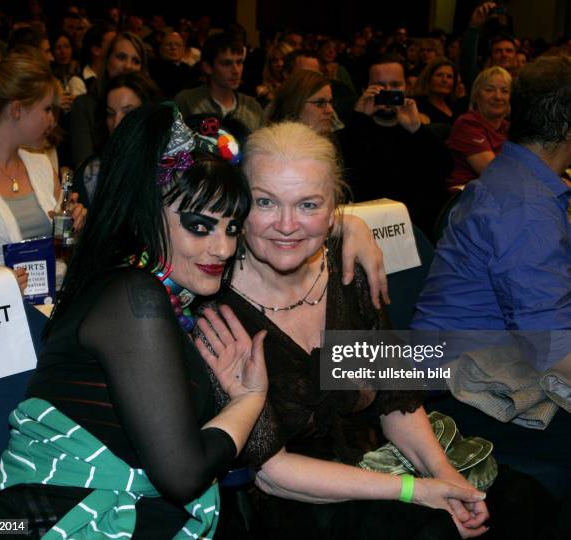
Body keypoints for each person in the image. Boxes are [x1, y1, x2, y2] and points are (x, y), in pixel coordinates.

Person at [0, 102, 269, 539]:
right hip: (30, 522)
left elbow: (266, 449)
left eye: (233, 228)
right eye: (200, 227)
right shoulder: (133, 296)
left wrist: (345, 234)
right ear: (147, 216)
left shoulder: (180, 298)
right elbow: (184, 474)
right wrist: (249, 399)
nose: (223, 248)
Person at [207, 122, 490, 539]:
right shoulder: (212, 299)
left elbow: (396, 402)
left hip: (366, 470)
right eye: (266, 202)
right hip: (281, 505)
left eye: (308, 205)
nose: (286, 225)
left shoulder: (347, 272)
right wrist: (416, 490)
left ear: (334, 209)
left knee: (513, 506)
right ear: (238, 203)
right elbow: (271, 472)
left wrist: (449, 480)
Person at [412, 55, 571, 497]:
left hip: (479, 359)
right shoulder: (526, 205)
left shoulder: (520, 176)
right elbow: (552, 345)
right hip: (458, 385)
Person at [0, 51, 86, 281]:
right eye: (47, 109)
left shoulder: (41, 165)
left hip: (57, 304)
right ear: (17, 109)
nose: (52, 120)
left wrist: (76, 227)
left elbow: (65, 252)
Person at [340, 54, 452, 236]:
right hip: (370, 229)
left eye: (395, 85)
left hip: (417, 229)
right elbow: (346, 169)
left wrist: (416, 128)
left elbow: (445, 167)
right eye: (379, 86)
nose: (388, 92)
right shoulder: (356, 130)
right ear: (365, 89)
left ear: (406, 88)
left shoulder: (415, 131)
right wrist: (359, 117)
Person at [73, 71, 162, 206]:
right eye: (110, 114)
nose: (116, 122)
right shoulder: (91, 173)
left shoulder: (171, 165)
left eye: (128, 112)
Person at [70, 31, 148, 168]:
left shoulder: (150, 106)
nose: (128, 66)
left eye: (136, 61)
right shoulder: (84, 105)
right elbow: (84, 166)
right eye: (121, 57)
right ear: (107, 60)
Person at [174, 32, 263, 132]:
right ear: (207, 67)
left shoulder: (252, 106)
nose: (236, 70)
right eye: (226, 64)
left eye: (239, 62)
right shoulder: (186, 102)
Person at [446, 66, 511, 190]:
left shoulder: (509, 128)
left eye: (505, 91)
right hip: (468, 200)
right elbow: (494, 173)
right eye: (489, 90)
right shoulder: (466, 124)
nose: (498, 96)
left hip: (502, 196)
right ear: (476, 95)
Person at [267, 70, 335, 135]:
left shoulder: (331, 140)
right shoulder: (274, 144)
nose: (330, 110)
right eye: (319, 103)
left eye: (330, 102)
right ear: (293, 106)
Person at [412, 57, 462, 125]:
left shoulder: (455, 106)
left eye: (449, 77)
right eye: (439, 75)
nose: (444, 80)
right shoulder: (416, 105)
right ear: (428, 78)